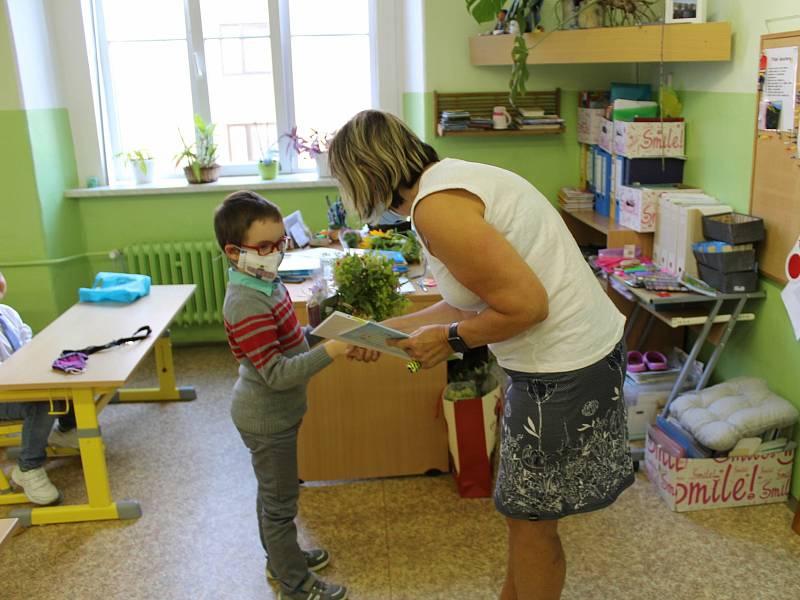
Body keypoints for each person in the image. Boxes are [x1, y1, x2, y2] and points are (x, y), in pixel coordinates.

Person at [328, 111, 635, 600]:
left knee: (532, 523)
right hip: (561, 357)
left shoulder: (437, 209)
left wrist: (449, 340)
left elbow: (527, 307)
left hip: (563, 365)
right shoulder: (448, 183)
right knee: (522, 514)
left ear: (366, 174)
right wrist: (381, 333)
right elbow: (471, 298)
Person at [213, 191, 351, 600]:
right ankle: (295, 585)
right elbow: (276, 373)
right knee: (279, 504)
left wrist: (323, 334)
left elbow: (289, 343)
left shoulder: (264, 283)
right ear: (234, 252)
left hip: (277, 413)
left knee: (272, 493)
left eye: (280, 244)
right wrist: (332, 350)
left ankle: (281, 559)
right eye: (266, 247)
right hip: (266, 416)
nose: (276, 253)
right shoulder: (246, 302)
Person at [0, 271, 78, 505]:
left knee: (67, 378)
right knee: (44, 401)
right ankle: (28, 467)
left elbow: (28, 344)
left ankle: (66, 430)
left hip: (17, 385)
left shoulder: (8, 313)